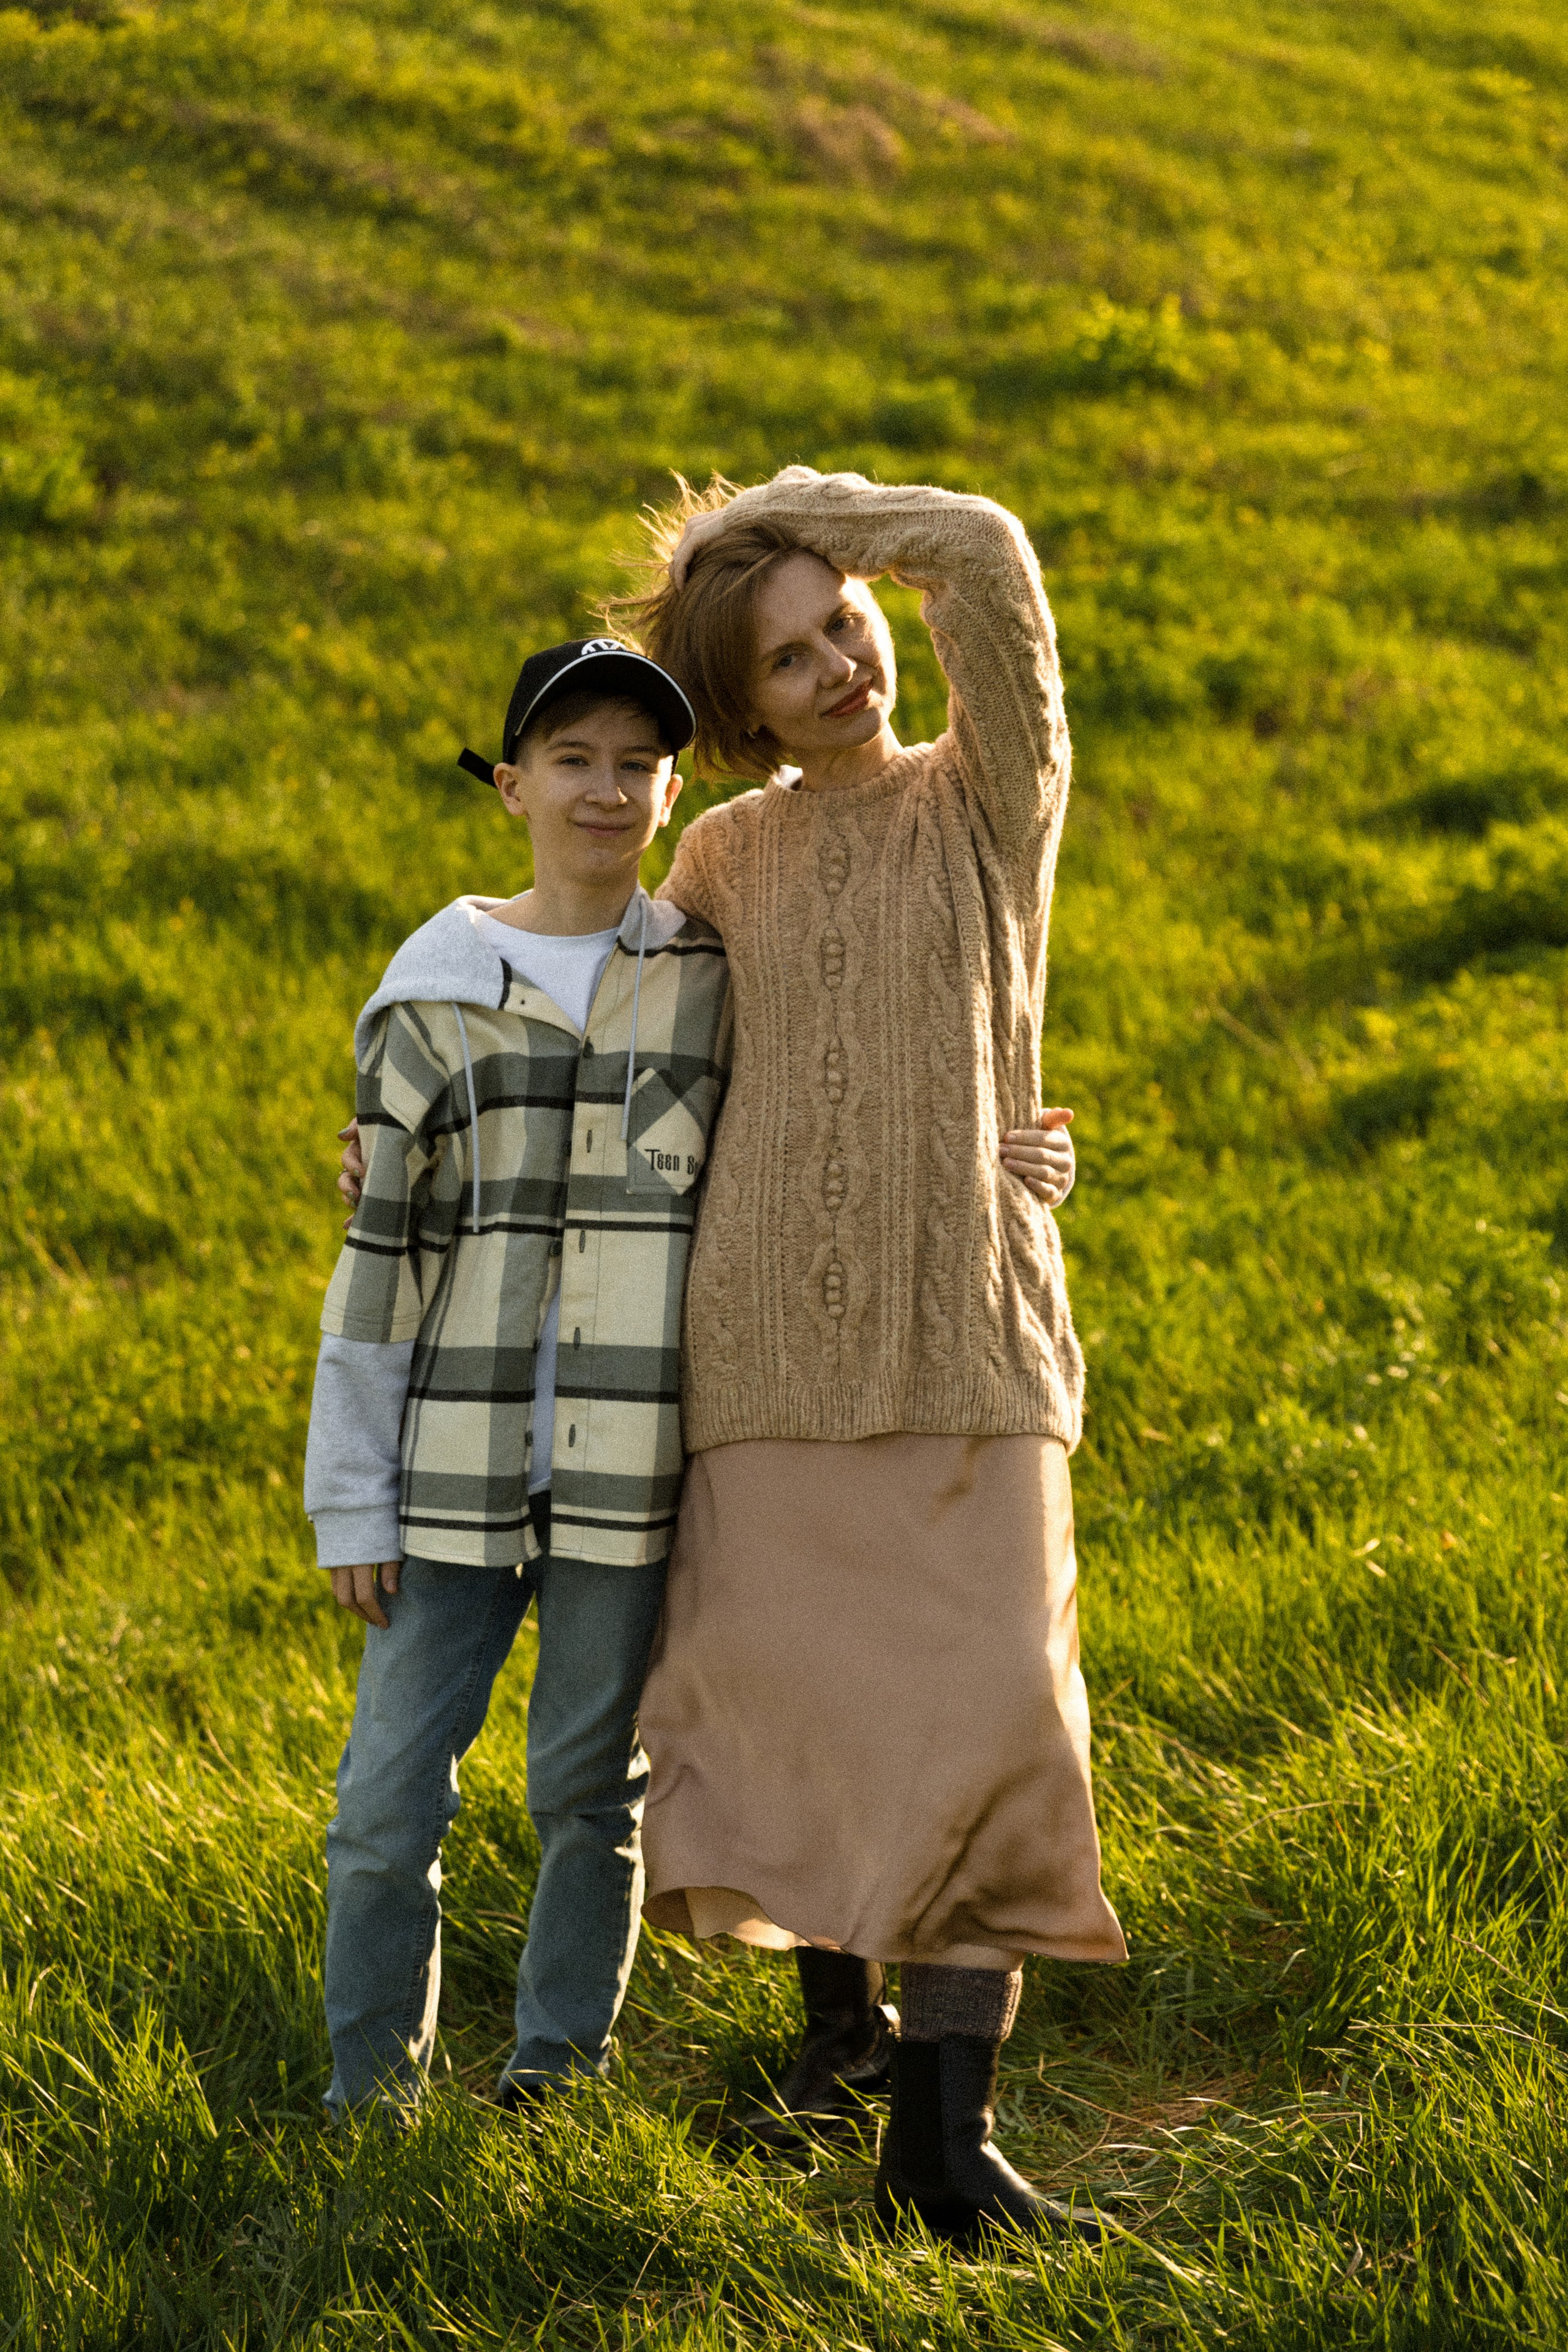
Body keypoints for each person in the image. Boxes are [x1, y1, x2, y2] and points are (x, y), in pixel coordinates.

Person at [609, 466, 1126, 2247]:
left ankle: (943, 2145)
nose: (843, 664)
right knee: (804, 1717)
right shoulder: (721, 856)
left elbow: (986, 550)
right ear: (737, 706)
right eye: (789, 655)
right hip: (757, 1358)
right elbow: (647, 1092)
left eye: (847, 622)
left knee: (994, 1712)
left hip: (969, 1322)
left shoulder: (989, 799)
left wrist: (772, 514)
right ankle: (841, 2038)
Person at [303, 639, 733, 2115]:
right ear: (510, 787)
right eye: (571, 760)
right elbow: (379, 1267)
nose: (603, 790)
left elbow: (838, 1126)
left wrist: (1019, 1155)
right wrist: (349, 1501)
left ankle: (556, 2068)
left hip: (630, 1473)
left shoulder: (701, 981)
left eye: (635, 764)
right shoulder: (431, 995)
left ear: (670, 793)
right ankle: (373, 2098)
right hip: (449, 1477)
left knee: (584, 1795)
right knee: (381, 1809)